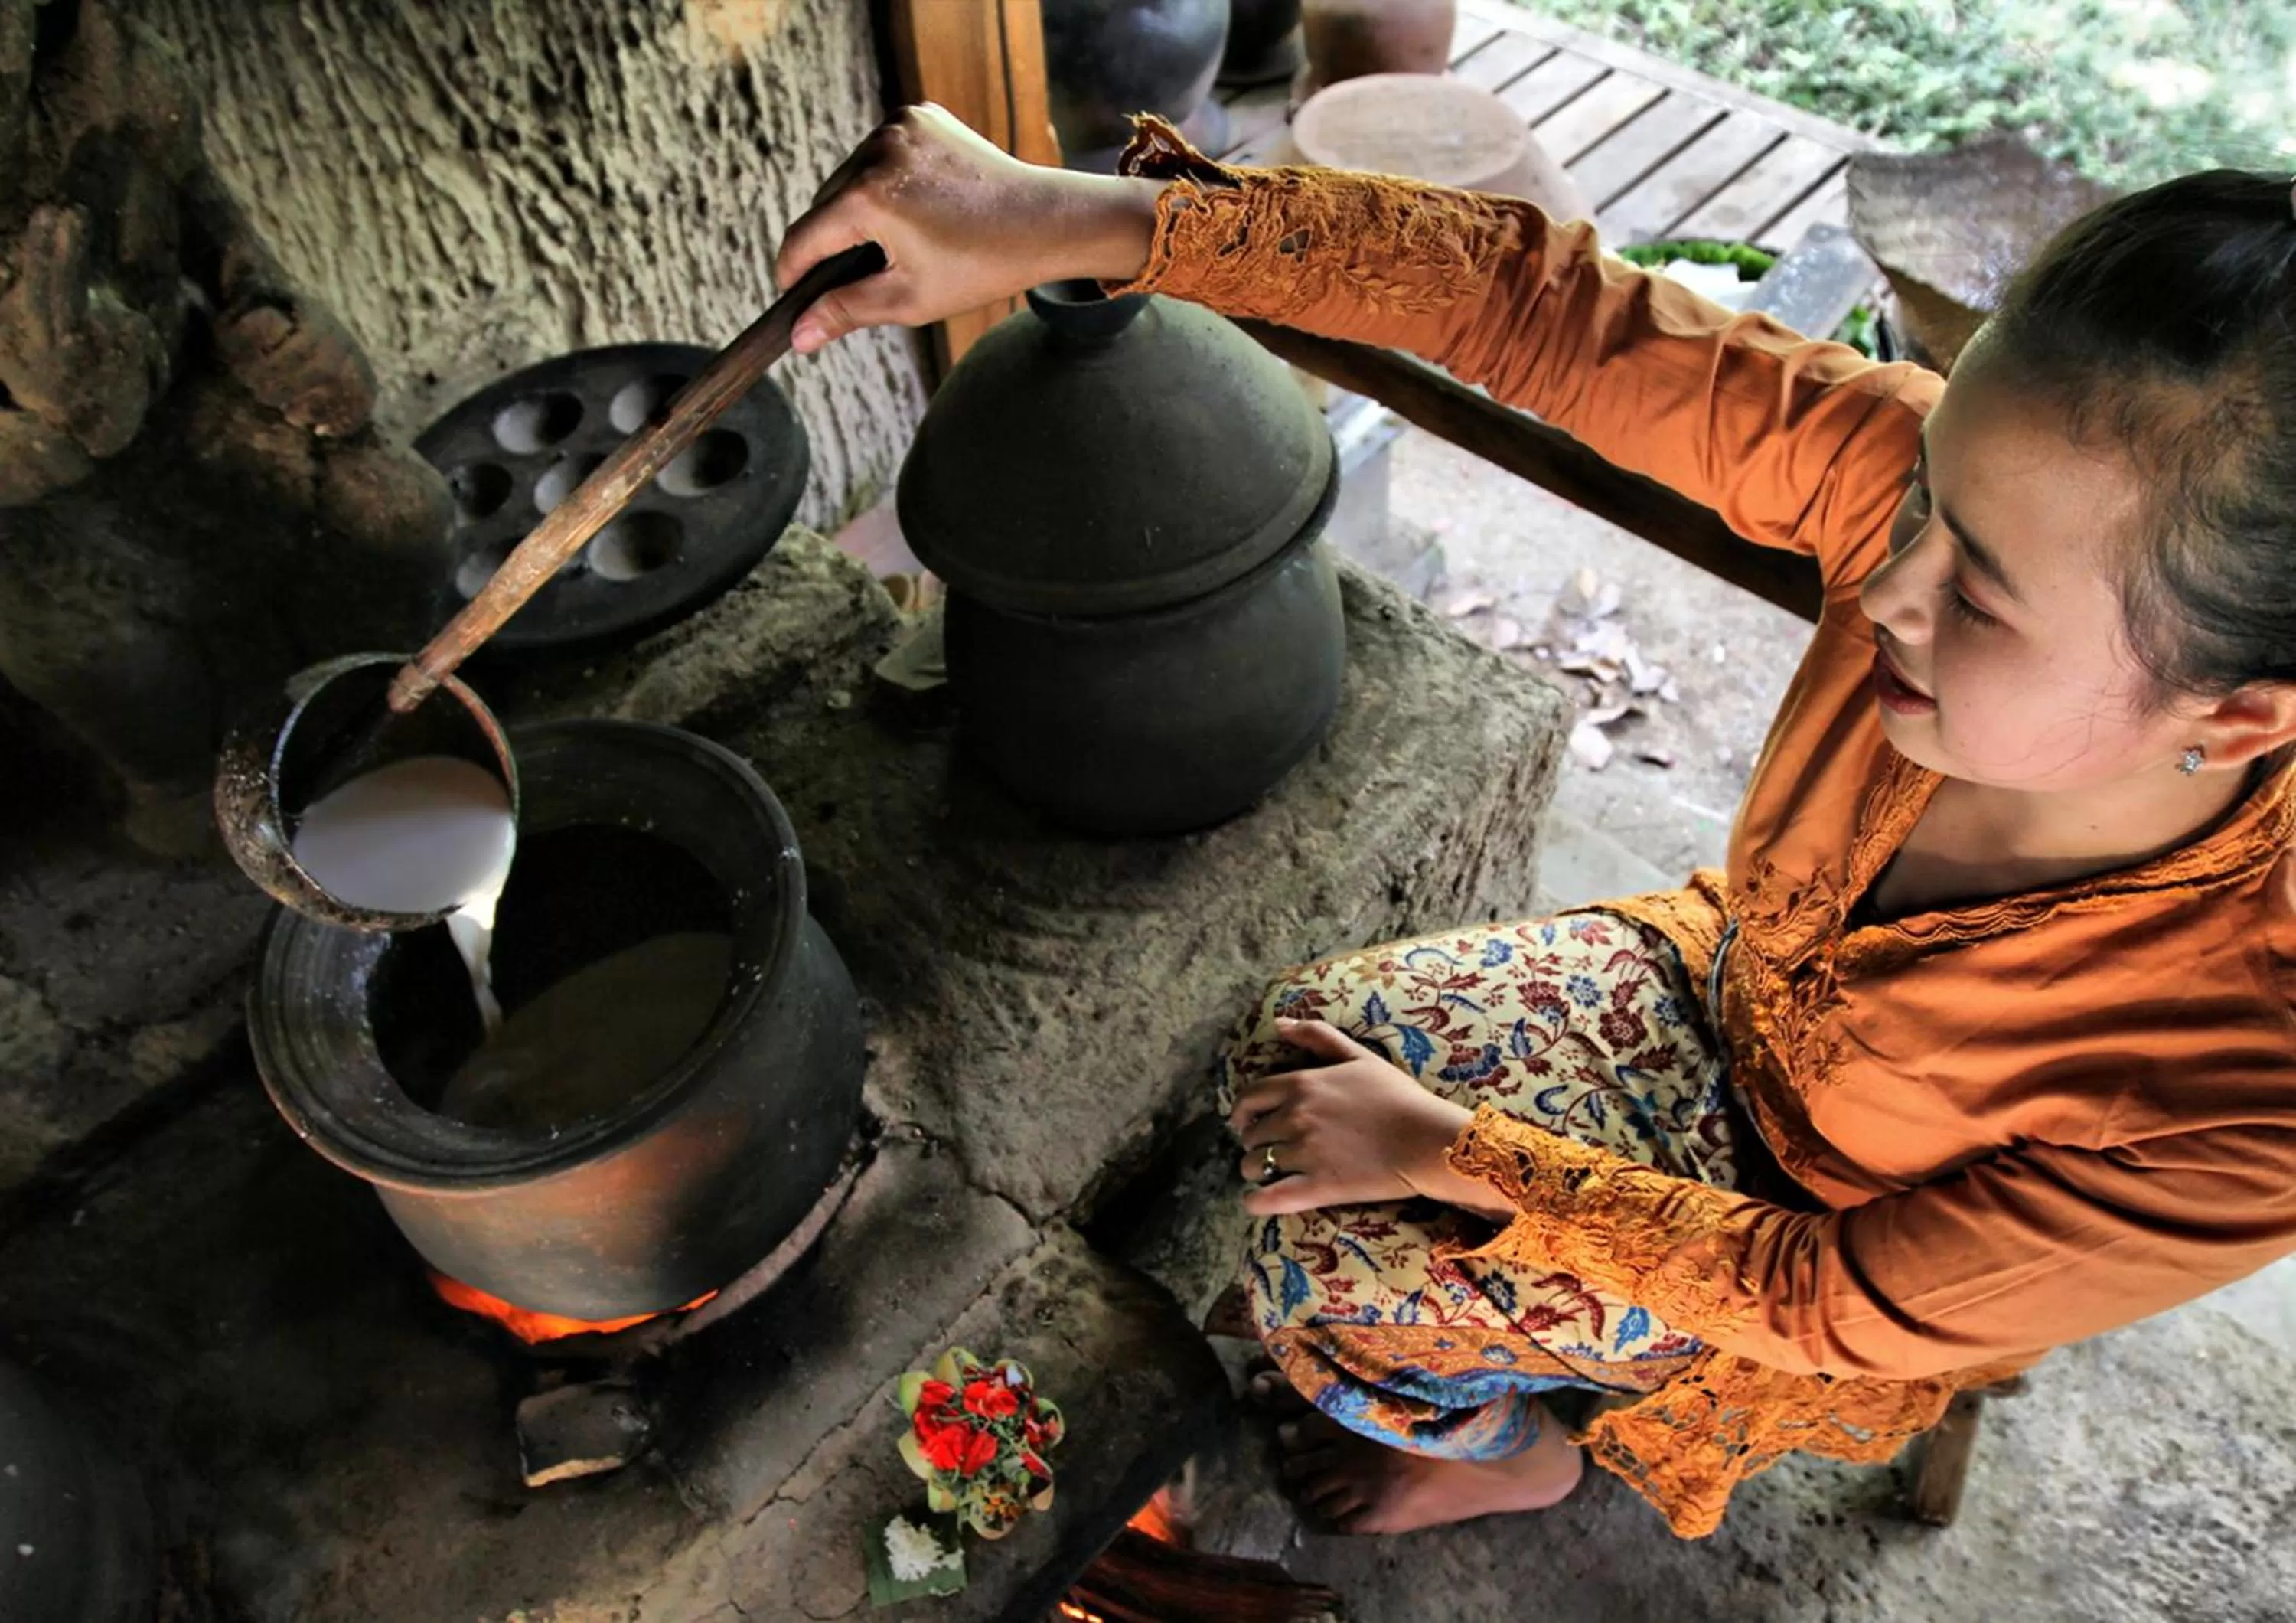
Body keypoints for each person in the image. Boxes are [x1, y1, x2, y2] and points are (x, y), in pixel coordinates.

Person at [777, 106, 2296, 1539]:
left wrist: (1453, 1152)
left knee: (1326, 1268)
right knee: (1293, 1049)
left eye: (1980, 600)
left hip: (1809, 1240)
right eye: (1921, 504)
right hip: (1722, 986)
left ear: (2237, 718)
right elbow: (1545, 309)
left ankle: (1524, 1453)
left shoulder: (2247, 1070)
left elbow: (1830, 1296)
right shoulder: (1937, 507)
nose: (1886, 585)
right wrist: (1067, 218)